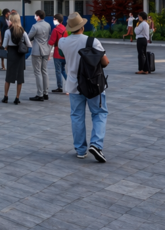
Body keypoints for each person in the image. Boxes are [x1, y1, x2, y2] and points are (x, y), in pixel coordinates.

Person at [58, 12, 109, 162]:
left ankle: (80, 150)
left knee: (77, 116)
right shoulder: (92, 41)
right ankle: (96, 144)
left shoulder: (63, 42)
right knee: (99, 113)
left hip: (74, 85)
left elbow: (62, 53)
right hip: (93, 84)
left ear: (70, 28)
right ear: (83, 26)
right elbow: (105, 62)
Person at [1, 11, 27, 104]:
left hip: (11, 54)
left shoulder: (8, 31)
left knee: (9, 76)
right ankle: (17, 98)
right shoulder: (23, 31)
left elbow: (4, 45)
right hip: (20, 55)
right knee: (20, 77)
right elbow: (28, 44)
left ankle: (6, 96)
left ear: (12, 21)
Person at [28, 10, 52, 102]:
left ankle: (39, 94)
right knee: (44, 71)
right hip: (46, 50)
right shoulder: (48, 25)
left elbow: (29, 37)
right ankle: (46, 93)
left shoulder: (35, 26)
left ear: (38, 16)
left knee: (37, 72)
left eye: (35, 15)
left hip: (37, 51)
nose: (35, 17)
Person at [48, 14, 68, 93]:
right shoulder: (65, 29)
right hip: (65, 53)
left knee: (58, 71)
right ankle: (70, 84)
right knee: (63, 70)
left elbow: (51, 42)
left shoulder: (55, 30)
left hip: (57, 53)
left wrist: (48, 54)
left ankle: (59, 87)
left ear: (56, 19)